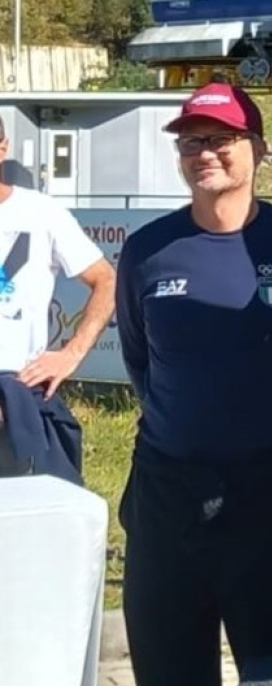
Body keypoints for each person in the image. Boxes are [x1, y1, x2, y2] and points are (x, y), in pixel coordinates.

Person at [114, 83, 272, 686]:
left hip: (271, 493)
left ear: (257, 149)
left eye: (222, 139)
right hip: (168, 492)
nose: (205, 153)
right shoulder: (148, 252)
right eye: (192, 142)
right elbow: (140, 361)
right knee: (167, 667)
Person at [0, 114, 115, 484]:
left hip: (15, 395)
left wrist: (71, 354)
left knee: (24, 529)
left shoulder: (41, 213)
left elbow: (106, 281)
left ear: (3, 148)